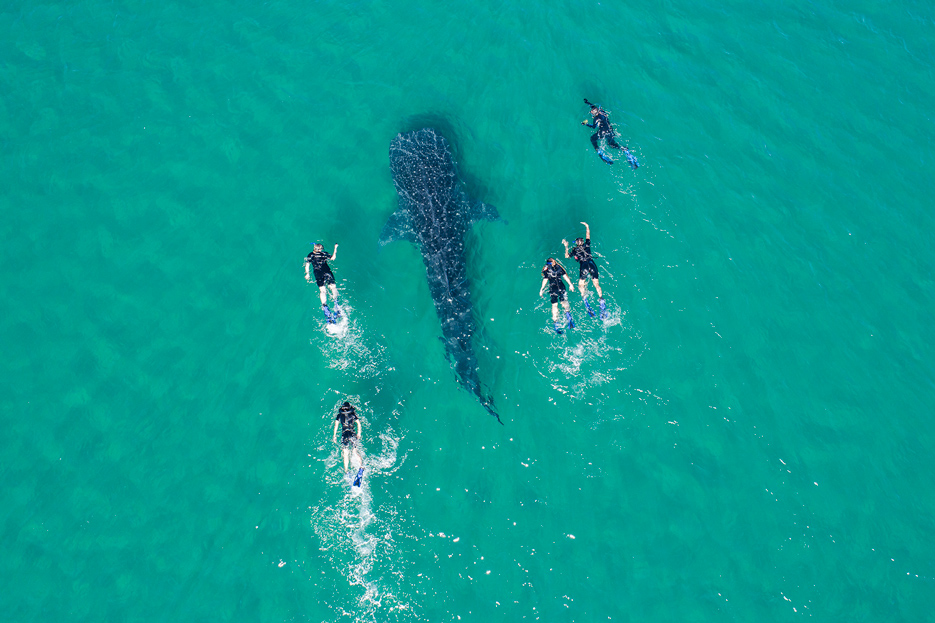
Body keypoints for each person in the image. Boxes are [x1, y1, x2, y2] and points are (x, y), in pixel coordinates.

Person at [563, 221, 606, 318]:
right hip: (592, 264)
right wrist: (587, 226)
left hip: (584, 267)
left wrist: (566, 247)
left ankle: (584, 298)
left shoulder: (574, 250)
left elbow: (566, 256)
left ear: (576, 244)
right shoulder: (587, 245)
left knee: (580, 284)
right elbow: (588, 234)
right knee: (597, 284)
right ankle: (601, 298)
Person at [581, 99, 637, 168]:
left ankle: (599, 151)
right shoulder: (602, 111)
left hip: (603, 132)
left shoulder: (596, 118)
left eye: (592, 112)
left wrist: (585, 124)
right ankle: (624, 149)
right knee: (611, 144)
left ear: (594, 114)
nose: (591, 112)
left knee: (592, 139)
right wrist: (587, 102)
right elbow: (593, 107)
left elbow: (593, 127)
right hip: (610, 131)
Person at [305, 243, 341, 323]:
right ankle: (336, 303)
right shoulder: (324, 254)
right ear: (320, 249)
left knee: (322, 291)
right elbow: (332, 258)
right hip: (327, 271)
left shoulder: (310, 255)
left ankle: (325, 306)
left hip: (318, 273)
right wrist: (335, 248)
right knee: (333, 287)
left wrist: (307, 274)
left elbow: (307, 265)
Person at [539, 257, 575, 333]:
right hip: (562, 288)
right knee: (564, 302)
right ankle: (568, 313)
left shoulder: (547, 271)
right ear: (554, 262)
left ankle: (555, 322)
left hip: (553, 290)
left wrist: (541, 289)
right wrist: (570, 284)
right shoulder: (559, 268)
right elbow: (565, 276)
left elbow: (545, 280)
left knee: (554, 305)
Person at [332, 401, 362, 473]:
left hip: (344, 434)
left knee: (345, 453)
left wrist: (334, 436)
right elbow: (358, 424)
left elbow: (336, 425)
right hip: (352, 433)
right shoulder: (353, 414)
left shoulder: (339, 415)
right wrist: (359, 433)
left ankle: (346, 471)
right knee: (354, 451)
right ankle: (361, 467)